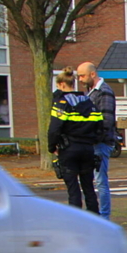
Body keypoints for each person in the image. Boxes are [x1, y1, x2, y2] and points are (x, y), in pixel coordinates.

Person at [48, 67, 101, 213]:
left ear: (62, 85)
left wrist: (52, 147)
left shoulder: (61, 103)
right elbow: (100, 125)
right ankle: (95, 219)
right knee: (89, 188)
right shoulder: (88, 102)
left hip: (69, 149)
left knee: (73, 190)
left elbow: (54, 128)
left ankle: (77, 220)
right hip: (87, 150)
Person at [78, 62, 117, 220]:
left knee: (101, 181)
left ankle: (104, 216)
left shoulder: (104, 92)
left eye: (82, 76)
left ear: (92, 74)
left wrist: (93, 138)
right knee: (95, 180)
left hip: (100, 143)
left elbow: (106, 121)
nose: (80, 79)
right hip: (93, 143)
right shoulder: (91, 92)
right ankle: (97, 214)